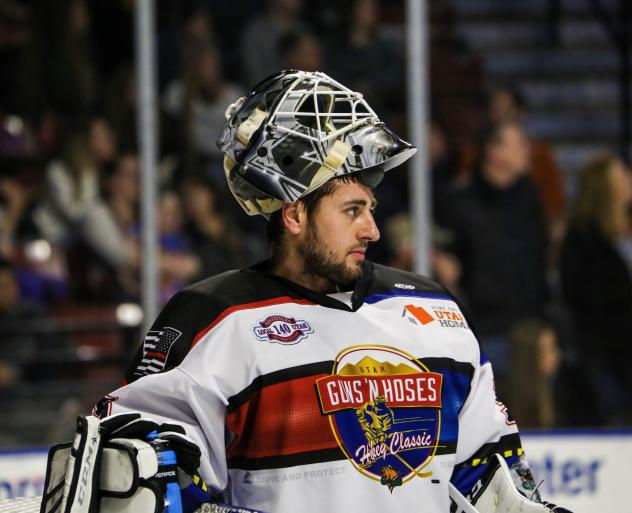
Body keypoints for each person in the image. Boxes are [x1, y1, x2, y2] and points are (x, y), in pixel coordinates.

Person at [42, 71, 571, 513]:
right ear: (294, 214)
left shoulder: (434, 310)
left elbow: (492, 476)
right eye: (351, 211)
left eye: (371, 209)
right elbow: (134, 481)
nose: (373, 231)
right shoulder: (215, 320)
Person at [560, 153, 632, 425]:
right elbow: (583, 298)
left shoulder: (626, 230)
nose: (629, 180)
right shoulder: (583, 239)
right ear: (604, 187)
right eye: (622, 176)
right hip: (603, 352)